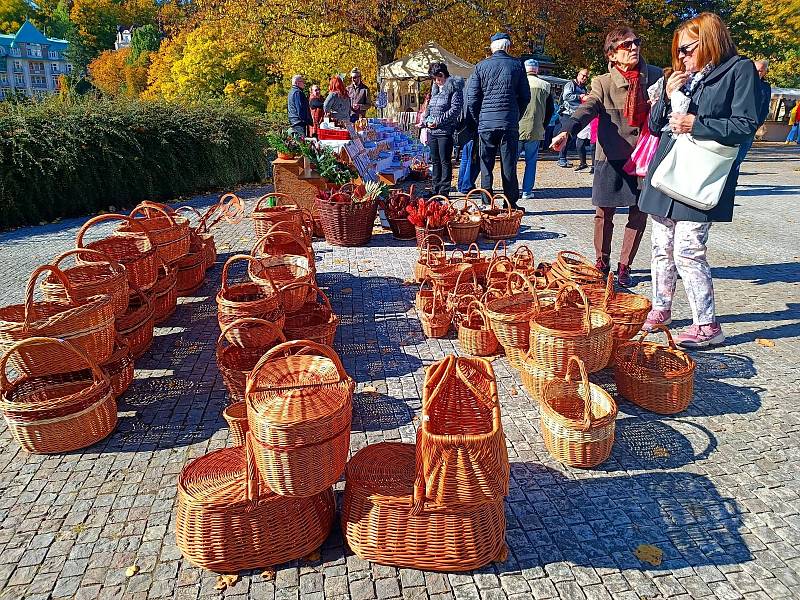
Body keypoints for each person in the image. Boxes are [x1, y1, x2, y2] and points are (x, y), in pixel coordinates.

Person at [638, 12, 760, 348]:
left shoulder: (738, 70)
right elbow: (654, 126)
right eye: (678, 51)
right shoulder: (679, 75)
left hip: (699, 176)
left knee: (688, 250)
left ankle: (707, 325)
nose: (681, 57)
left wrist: (697, 123)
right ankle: (661, 308)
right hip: (668, 172)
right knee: (661, 247)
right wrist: (665, 95)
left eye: (687, 49)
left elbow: (745, 125)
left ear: (708, 40)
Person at [551, 26, 662, 286]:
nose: (634, 47)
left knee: (638, 213)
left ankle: (625, 266)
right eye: (626, 45)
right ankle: (602, 261)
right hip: (611, 156)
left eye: (636, 42)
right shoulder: (602, 82)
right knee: (604, 213)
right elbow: (587, 107)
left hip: (644, 158)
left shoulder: (656, 76)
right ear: (612, 55)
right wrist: (567, 131)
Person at [467, 32, 531, 210]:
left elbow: (472, 98)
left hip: (486, 124)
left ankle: (487, 202)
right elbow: (526, 96)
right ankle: (510, 203)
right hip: (508, 123)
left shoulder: (481, 66)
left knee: (485, 164)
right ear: (508, 46)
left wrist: (479, 118)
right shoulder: (517, 65)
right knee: (509, 164)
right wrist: (515, 115)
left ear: (492, 47)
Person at [423, 63, 464, 196]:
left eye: (437, 78)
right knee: (435, 161)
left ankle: (444, 190)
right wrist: (425, 120)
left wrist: (438, 121)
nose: (436, 81)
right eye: (434, 79)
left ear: (442, 75)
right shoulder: (435, 89)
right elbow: (429, 108)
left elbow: (455, 109)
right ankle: (435, 188)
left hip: (445, 131)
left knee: (445, 160)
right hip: (433, 131)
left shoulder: (454, 89)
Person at [518, 59, 553, 200]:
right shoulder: (546, 86)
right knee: (531, 162)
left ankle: (512, 190)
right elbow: (550, 110)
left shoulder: (518, 83)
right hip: (536, 128)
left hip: (517, 128)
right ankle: (527, 191)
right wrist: (543, 126)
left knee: (511, 162)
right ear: (537, 70)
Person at [735, 59, 771, 164]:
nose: (756, 73)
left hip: (750, 127)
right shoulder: (741, 82)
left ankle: (733, 179)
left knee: (738, 159)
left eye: (760, 71)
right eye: (754, 70)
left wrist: (755, 125)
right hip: (734, 125)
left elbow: (765, 109)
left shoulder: (765, 87)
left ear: (764, 72)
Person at [556, 69, 589, 167]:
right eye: (583, 75)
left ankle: (563, 157)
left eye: (587, 77)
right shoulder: (570, 84)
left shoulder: (584, 88)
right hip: (567, 113)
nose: (584, 78)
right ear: (578, 75)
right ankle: (561, 158)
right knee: (565, 135)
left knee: (570, 138)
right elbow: (567, 96)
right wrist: (580, 97)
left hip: (576, 114)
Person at [456, 73, 481, 194]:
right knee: (473, 157)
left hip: (465, 125)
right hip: (473, 125)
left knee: (466, 157)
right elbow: (473, 104)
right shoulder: (477, 82)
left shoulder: (468, 82)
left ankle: (462, 184)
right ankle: (467, 185)